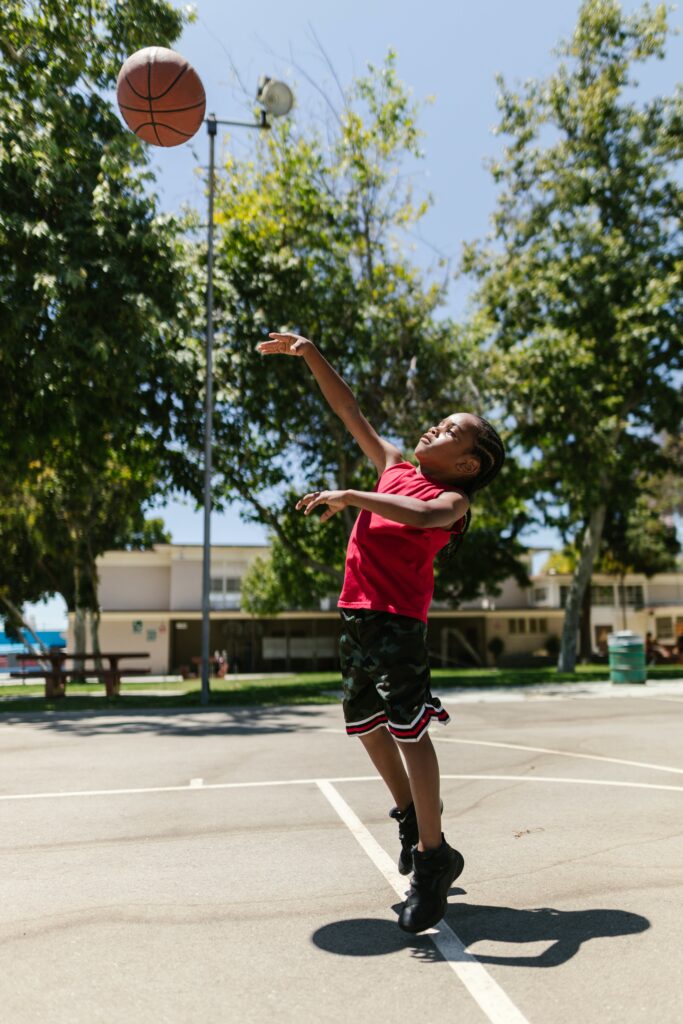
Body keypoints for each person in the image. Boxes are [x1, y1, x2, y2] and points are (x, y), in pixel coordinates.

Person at [258, 331, 505, 933]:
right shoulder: (393, 463)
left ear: (468, 464)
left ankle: (431, 857)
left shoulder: (451, 501)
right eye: (439, 422)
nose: (433, 429)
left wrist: (351, 494)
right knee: (368, 730)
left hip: (397, 624)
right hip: (356, 615)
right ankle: (409, 818)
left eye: (449, 431)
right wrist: (312, 352)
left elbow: (419, 517)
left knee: (410, 732)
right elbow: (349, 409)